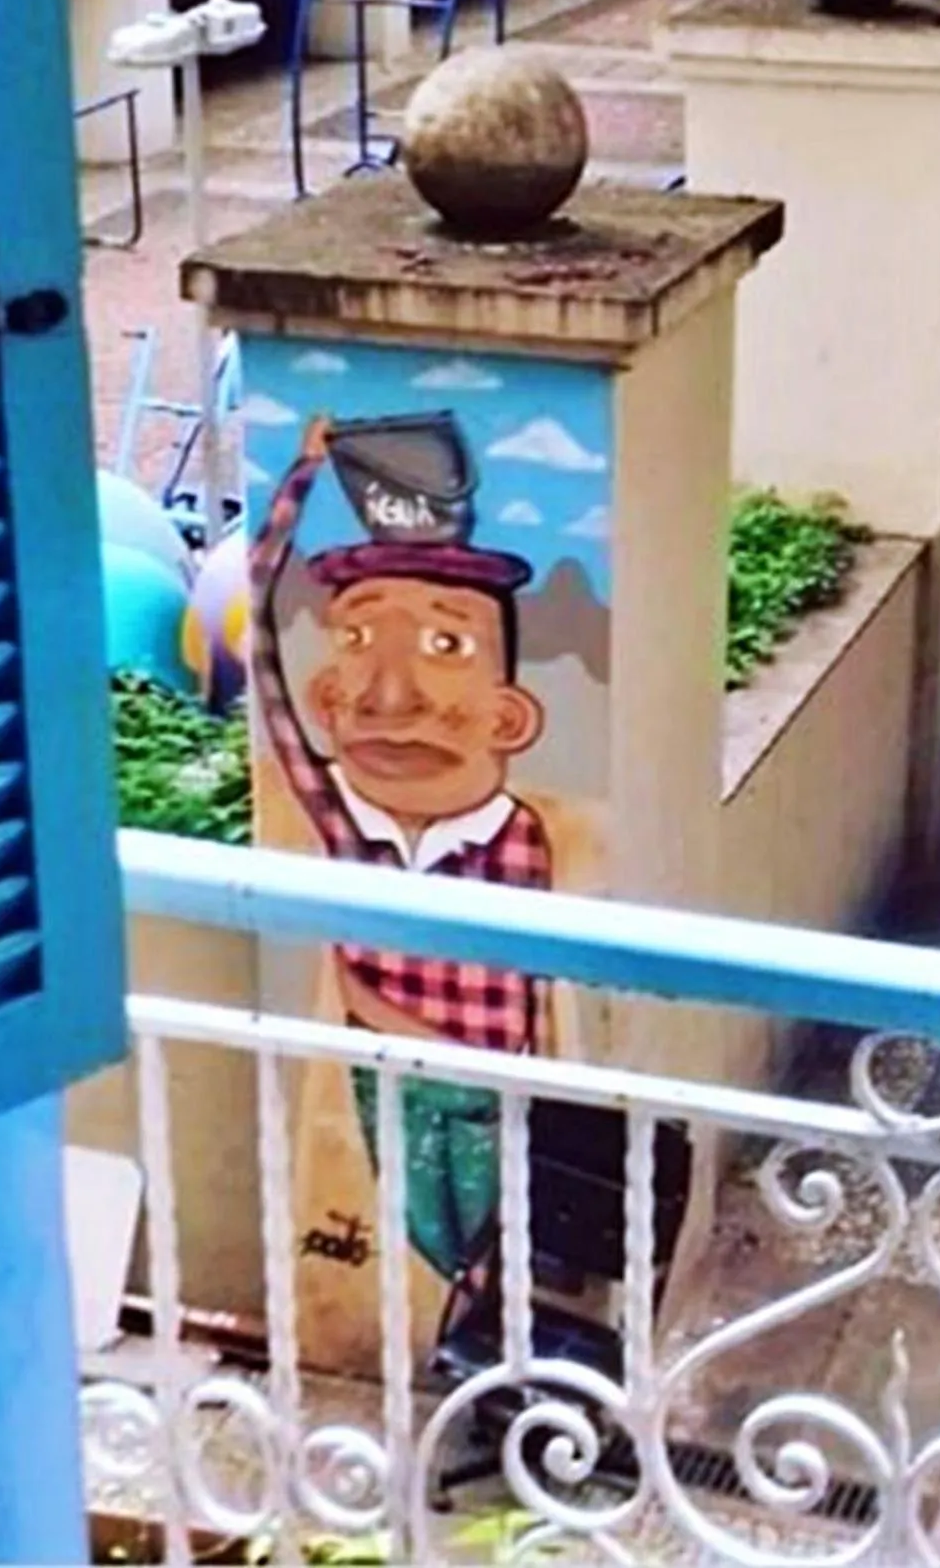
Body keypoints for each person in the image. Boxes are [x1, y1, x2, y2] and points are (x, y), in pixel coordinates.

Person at [249, 410, 551, 1284]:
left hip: (488, 1093)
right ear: (327, 694)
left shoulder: (517, 835)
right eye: (354, 640)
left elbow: (524, 991)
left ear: (509, 715)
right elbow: (261, 643)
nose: (388, 695)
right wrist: (299, 477)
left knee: (494, 1240)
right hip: (390, 1082)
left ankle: (494, 1345)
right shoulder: (345, 822)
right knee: (439, 1244)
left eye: (445, 644)